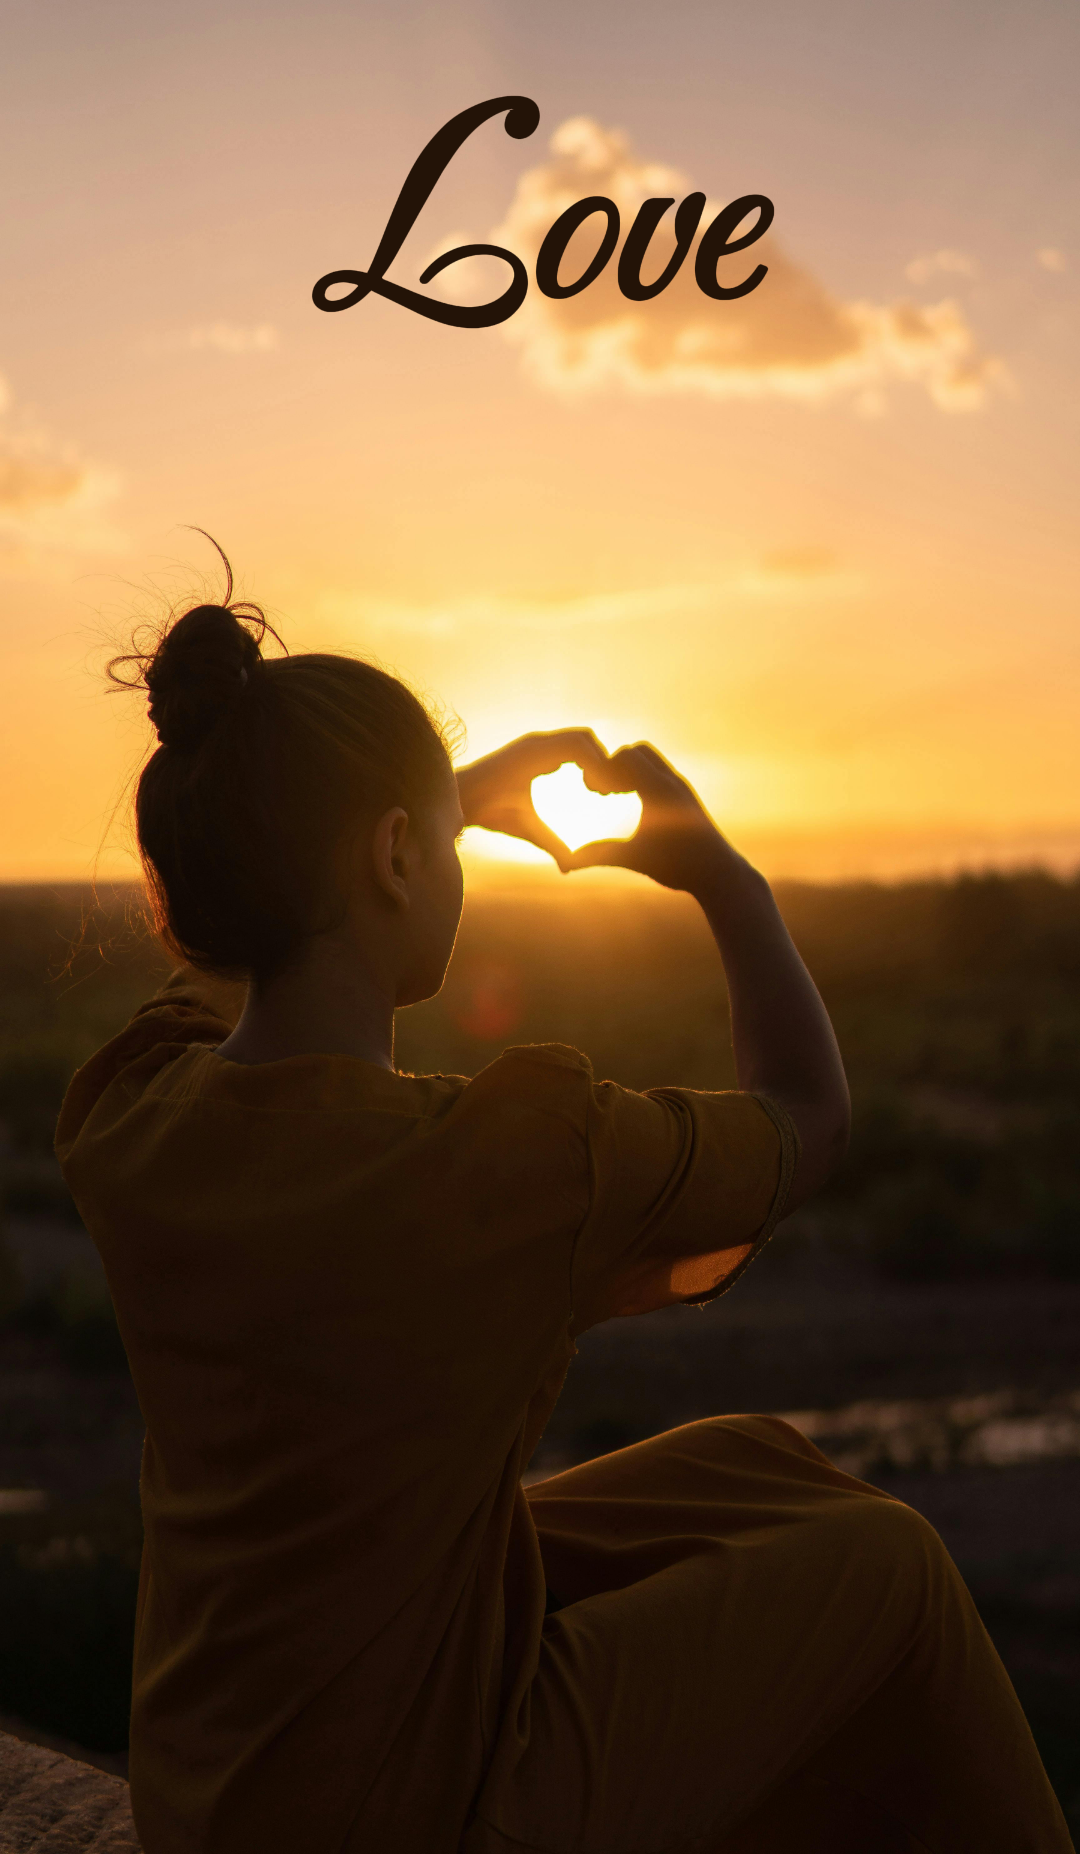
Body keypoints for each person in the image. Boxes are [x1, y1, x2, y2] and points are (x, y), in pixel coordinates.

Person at [56, 560, 1071, 1854]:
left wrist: (429, 812)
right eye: (432, 837)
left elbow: (234, 972)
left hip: (217, 1792)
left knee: (751, 1468)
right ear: (397, 851)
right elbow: (810, 1122)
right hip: (428, 1811)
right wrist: (724, 878)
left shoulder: (129, 1116)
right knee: (894, 1574)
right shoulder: (515, 1160)